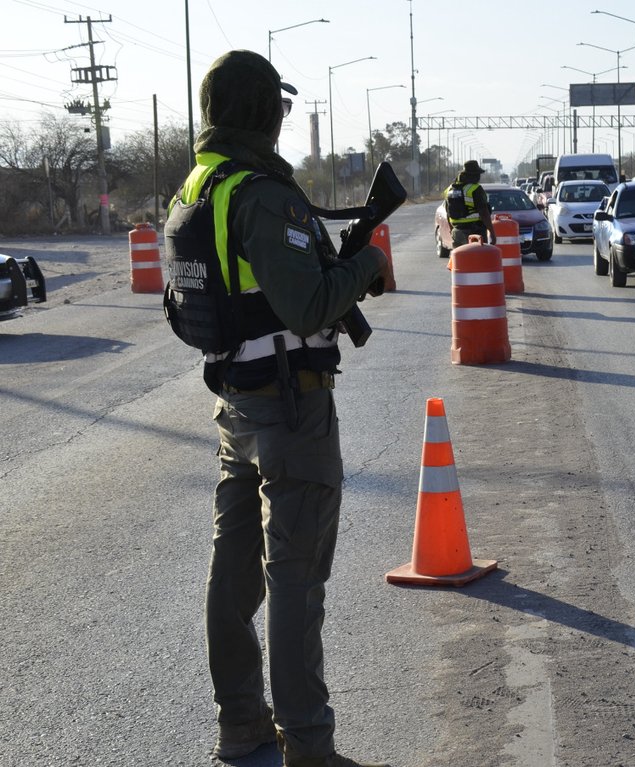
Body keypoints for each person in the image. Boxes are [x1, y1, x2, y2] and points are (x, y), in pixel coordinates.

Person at [176, 50, 391, 767]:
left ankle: (241, 724)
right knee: (295, 580)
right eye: (279, 107)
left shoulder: (201, 184)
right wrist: (367, 265)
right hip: (290, 411)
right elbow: (304, 306)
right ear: (263, 112)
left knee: (234, 575)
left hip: (237, 405)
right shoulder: (263, 195)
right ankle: (308, 746)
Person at [443, 159, 495, 246]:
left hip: (457, 232)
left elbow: (448, 212)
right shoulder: (475, 189)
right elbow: (484, 212)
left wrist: (452, 230)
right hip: (475, 232)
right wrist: (492, 233)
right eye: (478, 174)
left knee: (460, 255)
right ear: (473, 175)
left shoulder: (450, 190)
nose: (479, 177)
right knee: (479, 255)